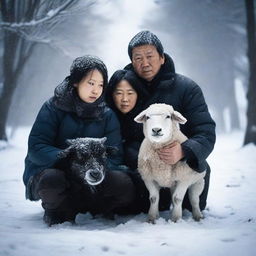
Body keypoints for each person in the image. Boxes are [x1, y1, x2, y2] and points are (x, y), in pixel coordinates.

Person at [106, 30, 216, 213]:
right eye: (138, 58)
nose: (145, 63)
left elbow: (205, 132)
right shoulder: (124, 89)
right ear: (132, 62)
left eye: (150, 56)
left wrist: (185, 150)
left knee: (191, 205)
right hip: (141, 164)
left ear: (162, 58)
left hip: (180, 161)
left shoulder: (187, 88)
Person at [23, 55, 135, 226]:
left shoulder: (107, 114)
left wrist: (94, 164)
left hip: (93, 176)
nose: (96, 90)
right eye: (91, 83)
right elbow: (36, 147)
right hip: (55, 172)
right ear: (75, 81)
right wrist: (65, 157)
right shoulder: (52, 107)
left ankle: (96, 208)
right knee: (52, 181)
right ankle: (56, 209)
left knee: (123, 183)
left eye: (100, 85)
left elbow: (115, 155)